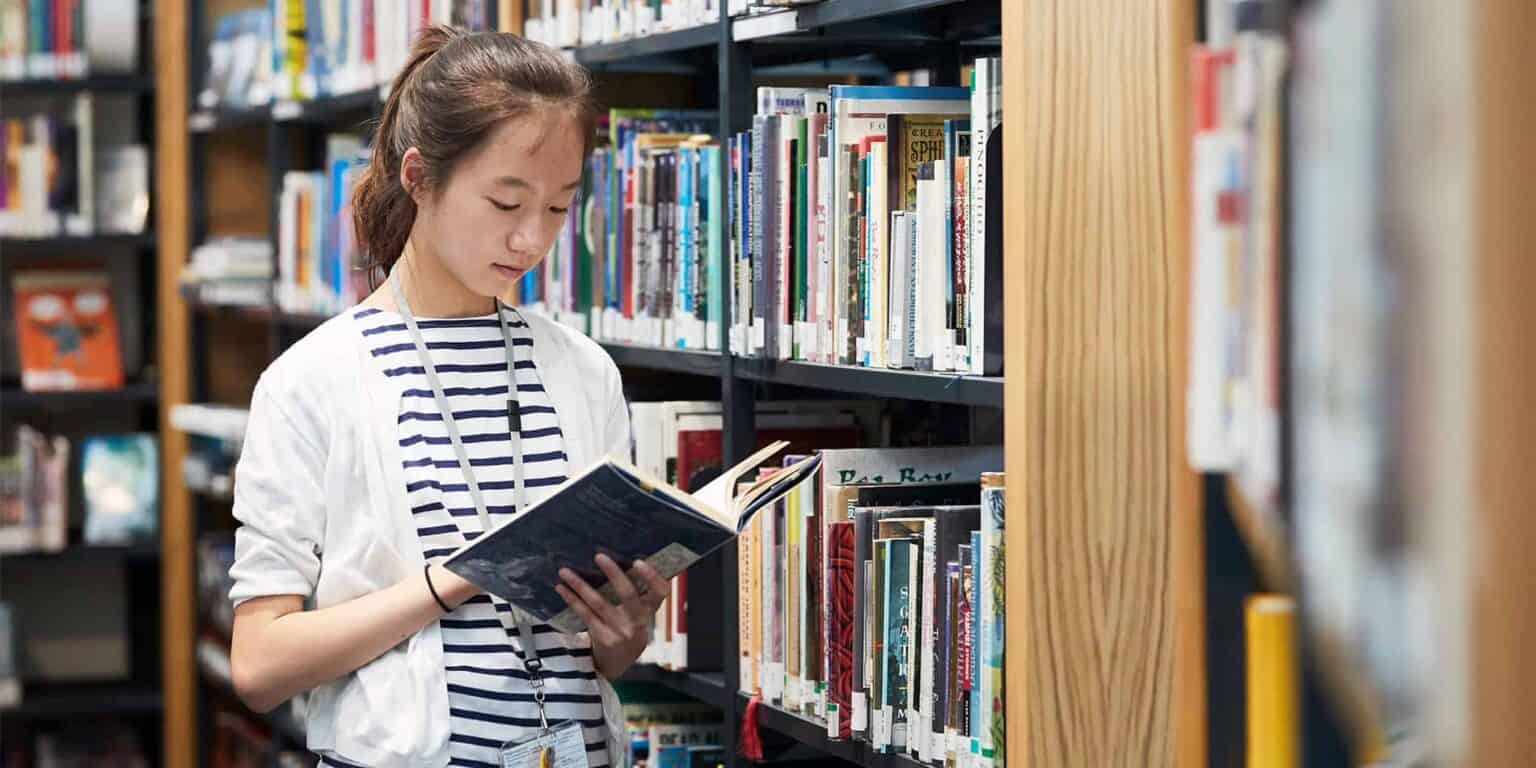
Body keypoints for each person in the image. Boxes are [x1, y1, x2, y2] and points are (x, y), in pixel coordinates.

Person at [225, 26, 670, 768]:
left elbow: (606, 661)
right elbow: (259, 663)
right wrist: (454, 580)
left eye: (559, 209)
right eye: (505, 202)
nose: (531, 239)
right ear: (418, 175)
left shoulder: (584, 371)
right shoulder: (313, 381)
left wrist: (622, 634)